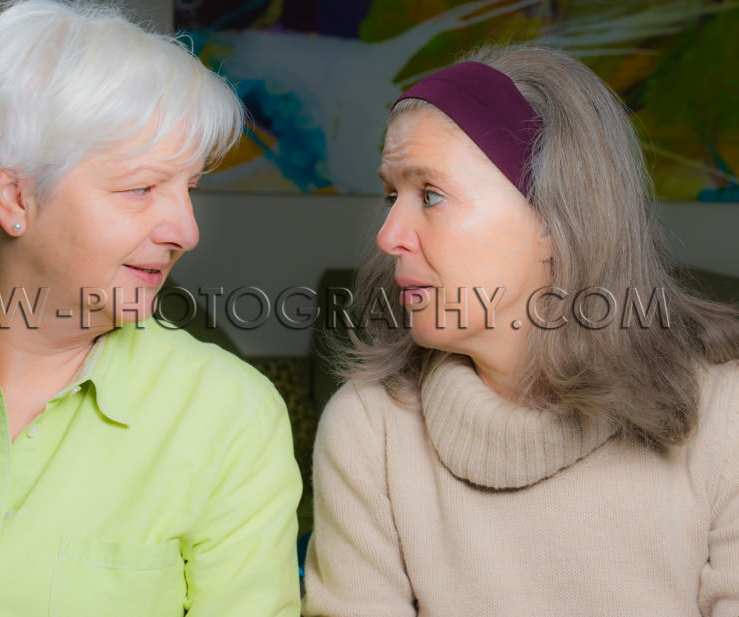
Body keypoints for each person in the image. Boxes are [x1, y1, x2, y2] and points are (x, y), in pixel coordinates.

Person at [0, 2, 301, 615]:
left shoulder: (232, 416)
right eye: (140, 188)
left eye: (187, 188)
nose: (186, 231)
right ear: (15, 195)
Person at [302, 44, 739, 617]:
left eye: (430, 194)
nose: (389, 236)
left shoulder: (726, 421)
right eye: (392, 195)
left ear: (556, 221)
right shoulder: (369, 429)